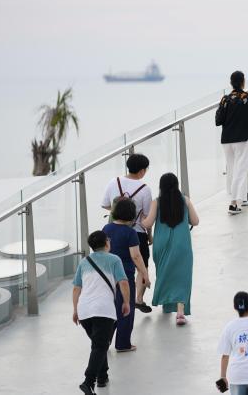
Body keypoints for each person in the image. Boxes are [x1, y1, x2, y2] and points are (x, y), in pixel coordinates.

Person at [72, 231, 130, 395]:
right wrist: (126, 302)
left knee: (99, 344)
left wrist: (75, 310)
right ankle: (88, 382)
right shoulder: (114, 259)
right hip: (103, 309)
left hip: (84, 311)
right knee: (100, 345)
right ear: (106, 243)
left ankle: (102, 376)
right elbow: (123, 282)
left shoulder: (84, 262)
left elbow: (77, 288)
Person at [142, 173, 199, 325]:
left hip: (162, 244)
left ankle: (167, 302)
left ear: (161, 186)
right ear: (177, 185)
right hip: (182, 244)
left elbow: (147, 224)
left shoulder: (157, 202)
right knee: (182, 276)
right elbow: (196, 221)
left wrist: (140, 218)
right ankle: (180, 311)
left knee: (165, 272)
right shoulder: (185, 201)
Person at [101, 153, 153, 313]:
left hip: (113, 231)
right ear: (142, 171)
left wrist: (118, 211)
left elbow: (105, 205)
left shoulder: (113, 182)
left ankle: (115, 295)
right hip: (137, 232)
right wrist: (149, 234)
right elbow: (146, 215)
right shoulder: (145, 189)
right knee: (141, 264)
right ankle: (138, 298)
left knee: (116, 263)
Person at [102, 199, 151, 352]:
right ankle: (123, 343)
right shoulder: (131, 233)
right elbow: (136, 256)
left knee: (110, 308)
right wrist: (145, 274)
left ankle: (105, 340)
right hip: (125, 276)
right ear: (131, 215)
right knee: (126, 309)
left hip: (107, 275)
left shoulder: (106, 228)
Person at [215, 70, 248, 215]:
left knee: (232, 169)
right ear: (243, 82)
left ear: (231, 83)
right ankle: (234, 203)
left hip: (226, 140)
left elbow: (218, 121)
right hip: (242, 139)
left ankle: (241, 196)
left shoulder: (225, 99)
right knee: (241, 170)